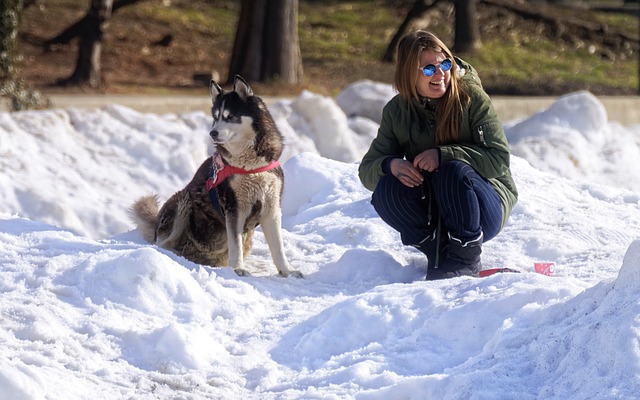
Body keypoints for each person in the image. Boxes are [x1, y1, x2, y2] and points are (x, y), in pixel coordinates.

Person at [358, 30, 518, 280]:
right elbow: (367, 170)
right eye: (429, 69)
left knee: (451, 170)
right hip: (438, 205)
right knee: (386, 188)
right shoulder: (397, 110)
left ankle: (465, 254)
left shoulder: (472, 98)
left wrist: (444, 154)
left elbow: (498, 159)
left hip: (485, 202)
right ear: (410, 74)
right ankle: (438, 249)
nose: (440, 73)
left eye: (444, 63)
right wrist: (390, 165)